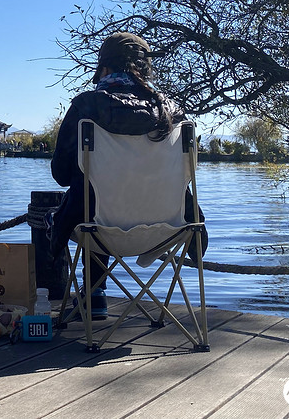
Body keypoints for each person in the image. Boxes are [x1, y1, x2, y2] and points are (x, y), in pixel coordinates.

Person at [48, 32, 206, 316]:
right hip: (170, 230)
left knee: (89, 200)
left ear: (104, 69)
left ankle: (94, 292)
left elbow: (60, 174)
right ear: (145, 69)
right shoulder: (173, 112)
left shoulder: (86, 106)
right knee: (96, 198)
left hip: (98, 230)